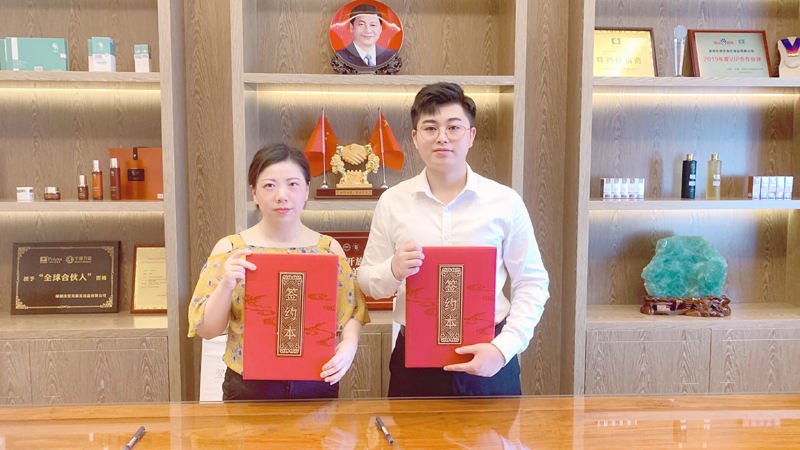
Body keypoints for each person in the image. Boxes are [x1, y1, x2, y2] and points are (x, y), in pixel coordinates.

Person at [357, 82, 550, 397]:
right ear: (415, 138)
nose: (442, 137)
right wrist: (393, 269)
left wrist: (504, 348)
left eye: (453, 127)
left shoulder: (505, 201)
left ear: (471, 136)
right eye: (430, 128)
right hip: (414, 361)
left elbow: (532, 282)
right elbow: (367, 281)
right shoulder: (393, 201)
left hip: (490, 355)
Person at [188, 143, 370, 401]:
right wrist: (227, 284)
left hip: (317, 380)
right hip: (248, 387)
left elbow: (351, 311)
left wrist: (349, 344)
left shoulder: (329, 250)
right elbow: (207, 330)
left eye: (293, 184)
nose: (281, 195)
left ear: (306, 190)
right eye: (269, 185)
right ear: (254, 193)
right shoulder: (230, 249)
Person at [334, 3, 398, 67]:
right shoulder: (340, 56)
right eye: (361, 24)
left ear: (380, 28)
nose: (368, 30)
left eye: (373, 25)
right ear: (351, 27)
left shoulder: (391, 56)